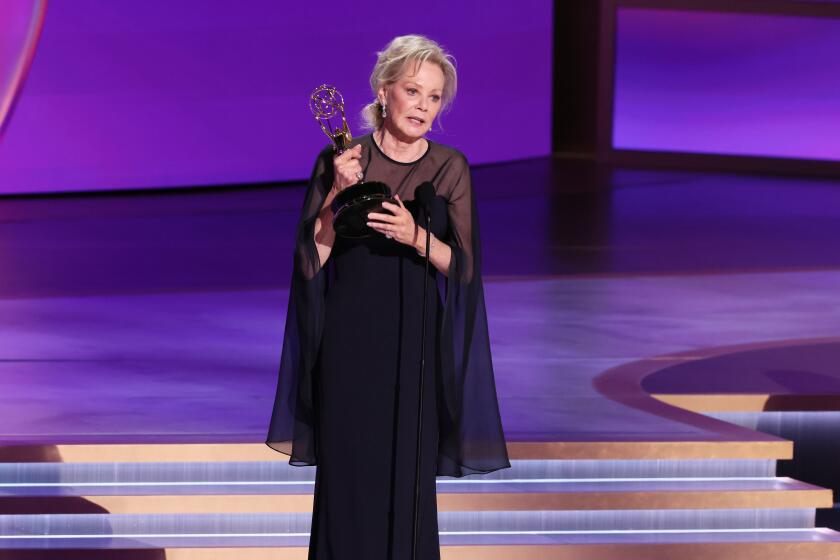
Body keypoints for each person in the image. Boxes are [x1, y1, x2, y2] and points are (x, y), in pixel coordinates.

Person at [267, 34, 510, 560]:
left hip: (415, 348)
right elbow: (310, 261)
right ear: (384, 91)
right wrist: (337, 192)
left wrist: (416, 236)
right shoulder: (342, 158)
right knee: (349, 477)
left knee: (407, 478)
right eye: (413, 91)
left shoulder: (449, 167)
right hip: (349, 344)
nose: (423, 106)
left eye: (434, 96)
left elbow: (465, 269)